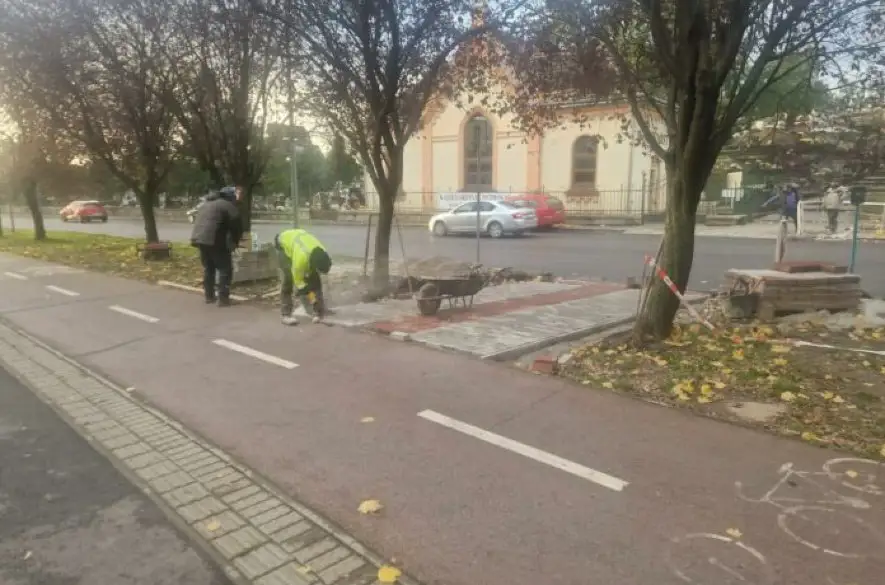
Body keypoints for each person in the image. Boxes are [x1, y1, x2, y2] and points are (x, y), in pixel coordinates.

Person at [190, 186, 243, 306]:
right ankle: (223, 299)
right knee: (225, 269)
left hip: (199, 240)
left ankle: (209, 296)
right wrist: (235, 242)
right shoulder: (227, 205)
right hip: (214, 240)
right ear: (230, 196)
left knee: (209, 268)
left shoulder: (206, 204)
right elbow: (236, 225)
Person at [274, 228, 332, 325]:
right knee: (288, 281)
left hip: (297, 241)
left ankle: (319, 310)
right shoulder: (300, 261)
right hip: (283, 246)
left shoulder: (321, 251)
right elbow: (300, 284)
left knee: (315, 281)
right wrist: (312, 298)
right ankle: (286, 314)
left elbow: (315, 276)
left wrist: (316, 302)